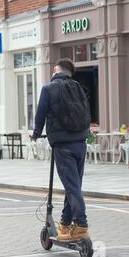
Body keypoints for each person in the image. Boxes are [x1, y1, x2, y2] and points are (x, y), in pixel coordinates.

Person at [32, 58, 91, 242]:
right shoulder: (78, 87)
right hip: (80, 142)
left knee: (72, 187)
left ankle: (81, 224)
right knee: (73, 185)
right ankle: (65, 224)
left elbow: (40, 114)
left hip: (63, 144)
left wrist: (35, 133)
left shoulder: (48, 88)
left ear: (56, 69)